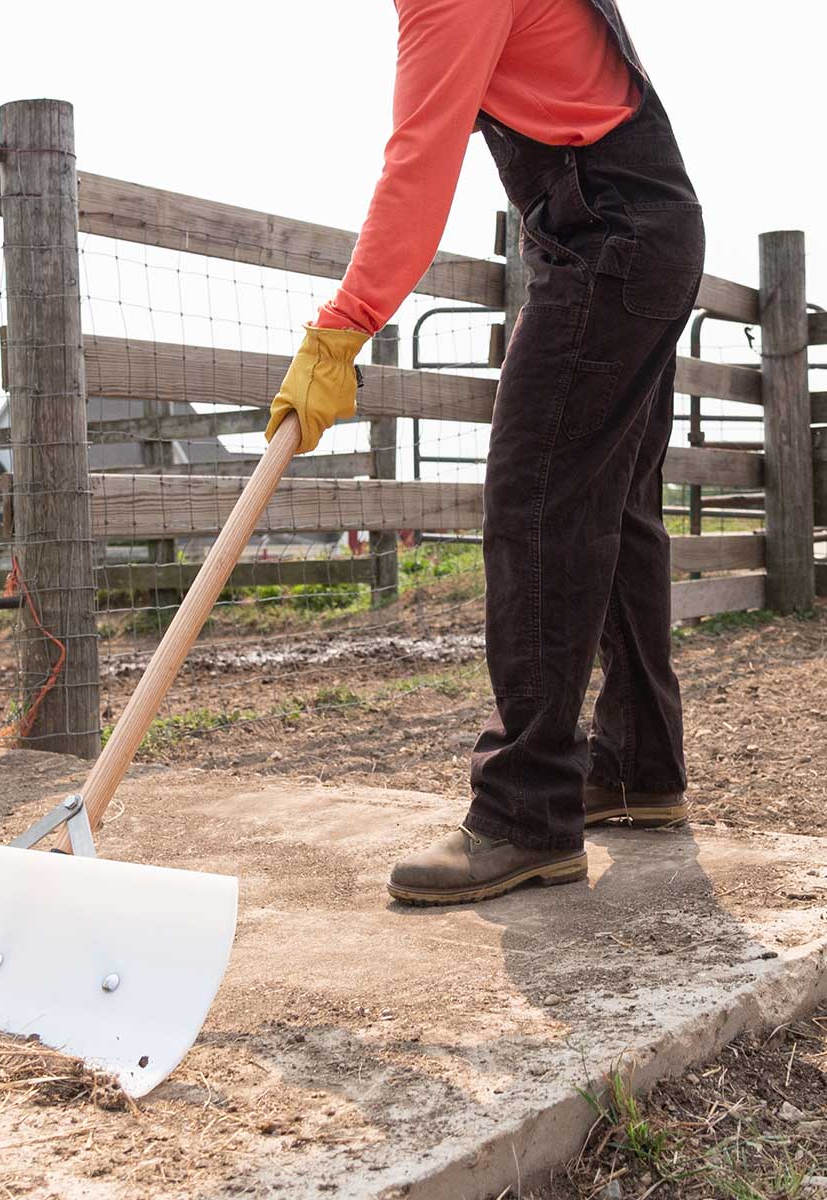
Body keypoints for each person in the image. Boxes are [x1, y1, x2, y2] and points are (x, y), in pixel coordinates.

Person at [266, 0, 704, 905]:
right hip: (649, 223)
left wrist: (342, 328)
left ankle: (526, 817)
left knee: (537, 502)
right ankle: (637, 767)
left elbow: (418, 163)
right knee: (613, 509)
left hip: (607, 235)